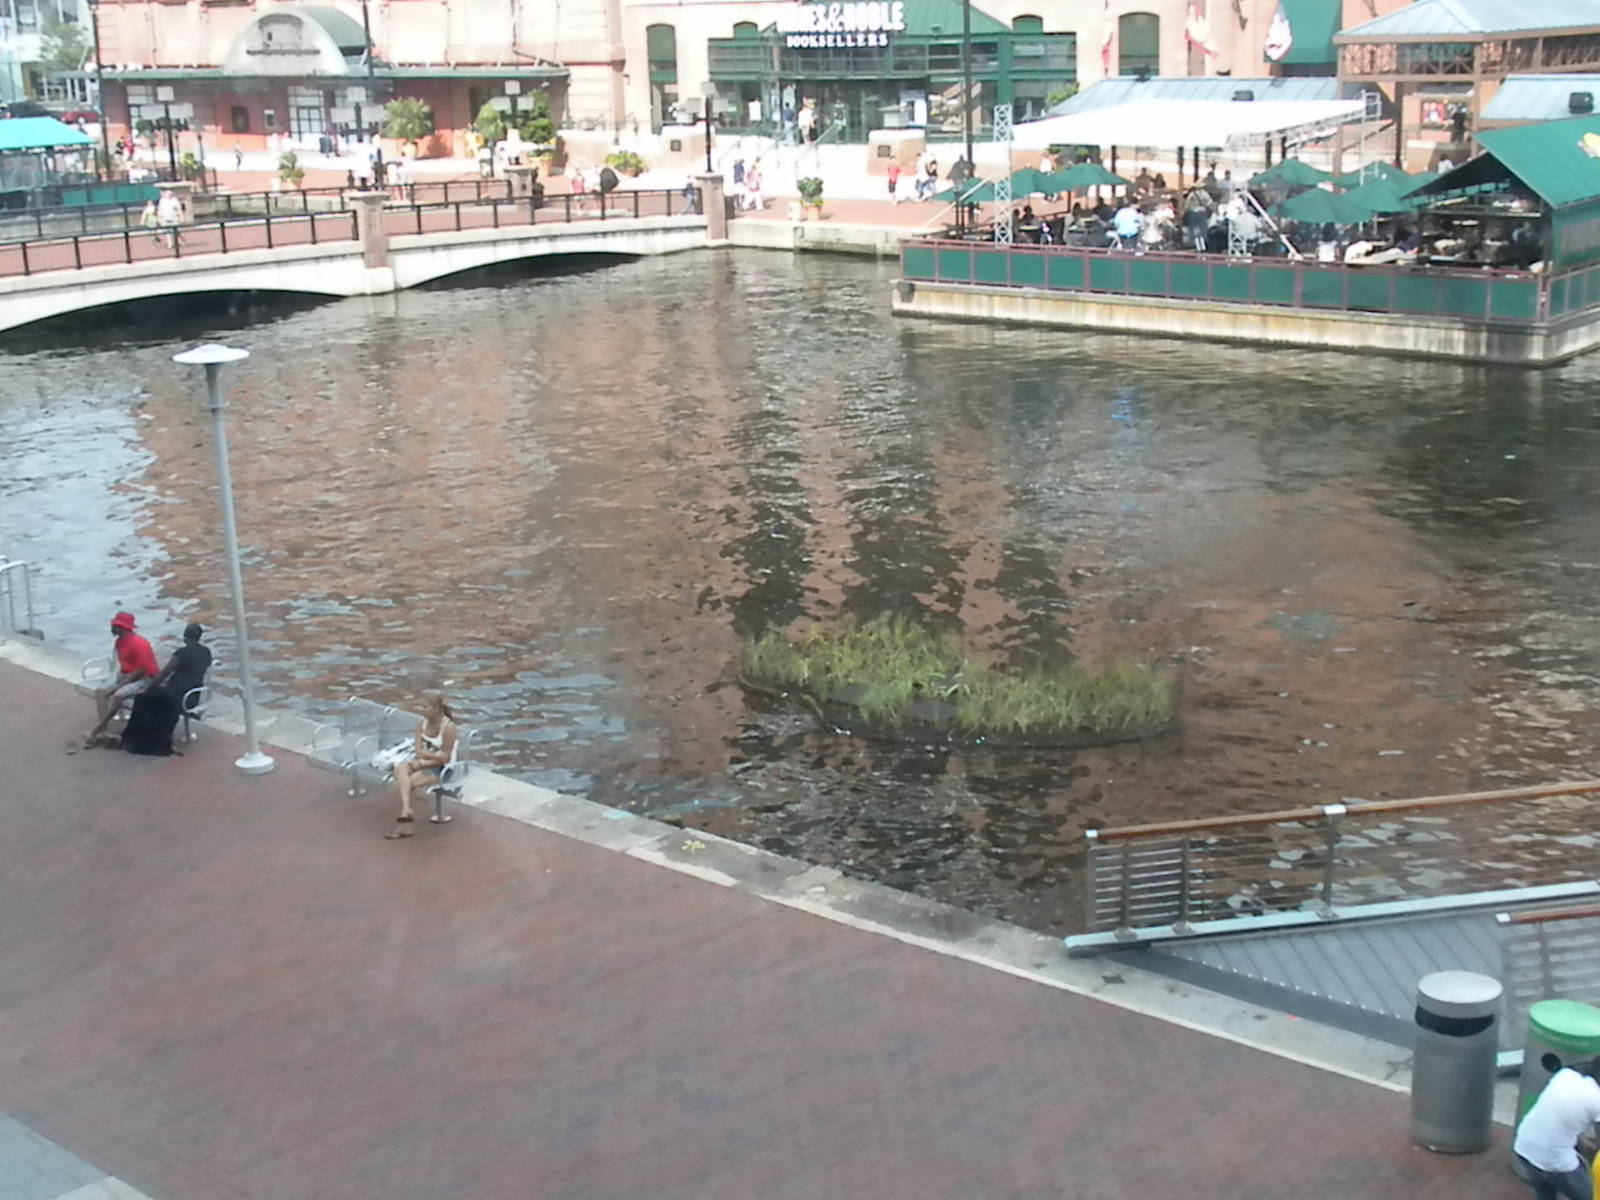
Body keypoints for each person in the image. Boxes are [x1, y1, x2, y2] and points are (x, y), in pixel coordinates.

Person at [1514, 1056, 1600, 1200]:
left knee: (1545, 1193)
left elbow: (1560, 1118)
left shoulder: (1566, 1075)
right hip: (1554, 1161)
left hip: (1523, 1146)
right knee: (1590, 1196)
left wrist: (1581, 1143)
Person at [122, 623, 212, 757]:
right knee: (156, 696)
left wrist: (147, 688)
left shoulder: (181, 653)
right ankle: (156, 736)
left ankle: (138, 739)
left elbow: (163, 674)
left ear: (185, 637)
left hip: (176, 695)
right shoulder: (206, 652)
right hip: (193, 696)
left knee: (142, 698)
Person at [386, 694, 459, 838]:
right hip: (424, 762)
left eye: (425, 707)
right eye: (420, 707)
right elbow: (418, 750)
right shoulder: (421, 724)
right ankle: (406, 809)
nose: (421, 710)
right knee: (401, 768)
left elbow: (445, 758)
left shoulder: (448, 728)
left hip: (441, 769)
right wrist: (428, 758)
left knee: (406, 784)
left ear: (437, 709)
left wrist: (424, 761)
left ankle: (404, 825)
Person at [86, 612, 160, 747]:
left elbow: (141, 671)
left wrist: (117, 686)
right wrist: (115, 683)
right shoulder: (119, 642)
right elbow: (125, 666)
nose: (113, 627)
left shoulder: (140, 644)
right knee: (101, 692)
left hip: (145, 679)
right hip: (126, 676)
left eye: (116, 625)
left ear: (124, 627)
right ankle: (104, 731)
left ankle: (97, 729)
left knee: (118, 695)